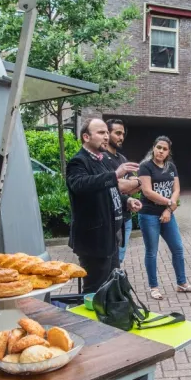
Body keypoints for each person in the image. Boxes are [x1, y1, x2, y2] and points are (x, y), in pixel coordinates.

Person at [66, 118, 141, 293]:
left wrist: (126, 201)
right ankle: (90, 321)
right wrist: (115, 175)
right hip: (94, 241)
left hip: (111, 238)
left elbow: (108, 191)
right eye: (101, 132)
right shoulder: (78, 162)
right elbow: (80, 185)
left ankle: (106, 320)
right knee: (94, 291)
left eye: (107, 132)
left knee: (111, 287)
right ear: (86, 137)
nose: (106, 136)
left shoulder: (102, 160)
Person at [137, 136, 191, 300]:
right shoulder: (145, 167)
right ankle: (154, 287)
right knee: (152, 252)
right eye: (158, 147)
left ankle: (182, 283)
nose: (161, 151)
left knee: (178, 248)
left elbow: (176, 189)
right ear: (153, 147)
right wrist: (170, 202)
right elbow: (147, 192)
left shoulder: (171, 167)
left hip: (167, 214)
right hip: (149, 214)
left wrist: (168, 209)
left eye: (164, 149)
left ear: (168, 152)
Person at [103, 119, 133, 264]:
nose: (121, 137)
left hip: (126, 218)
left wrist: (133, 183)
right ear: (107, 134)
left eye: (123, 134)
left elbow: (134, 185)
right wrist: (129, 183)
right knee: (109, 261)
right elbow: (117, 186)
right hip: (110, 220)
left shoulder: (122, 159)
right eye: (118, 133)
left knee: (119, 259)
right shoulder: (102, 159)